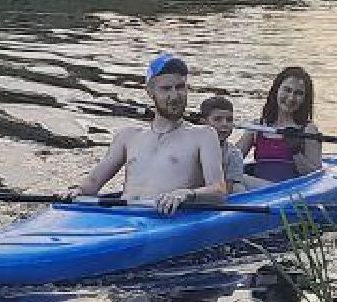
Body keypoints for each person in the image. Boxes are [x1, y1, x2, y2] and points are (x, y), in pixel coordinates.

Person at [71, 53, 226, 214]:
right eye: (166, 89)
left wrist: (187, 194)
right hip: (123, 217)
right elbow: (93, 182)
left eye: (180, 87)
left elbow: (219, 192)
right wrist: (78, 191)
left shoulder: (204, 135)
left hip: (165, 220)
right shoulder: (128, 136)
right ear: (150, 92)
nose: (174, 96)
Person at [231, 66, 322, 183]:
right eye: (287, 90)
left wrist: (296, 153)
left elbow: (315, 176)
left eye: (298, 93)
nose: (291, 98)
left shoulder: (308, 130)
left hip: (287, 191)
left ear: (305, 99)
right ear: (276, 90)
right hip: (257, 191)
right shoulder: (257, 126)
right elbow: (232, 161)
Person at [195, 94, 262, 193]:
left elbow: (228, 189)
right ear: (203, 123)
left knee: (238, 188)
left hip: (220, 195)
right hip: (194, 192)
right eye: (217, 119)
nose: (224, 124)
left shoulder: (233, 154)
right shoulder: (191, 145)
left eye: (229, 120)